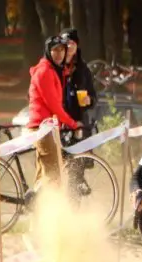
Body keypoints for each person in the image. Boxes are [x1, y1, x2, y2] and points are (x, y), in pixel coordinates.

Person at [27, 35, 82, 189]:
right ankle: (53, 210)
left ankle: (36, 206)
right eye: (55, 50)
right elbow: (54, 106)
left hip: (48, 127)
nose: (59, 54)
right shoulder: (45, 71)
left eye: (61, 50)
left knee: (44, 174)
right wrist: (72, 123)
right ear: (48, 52)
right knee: (54, 175)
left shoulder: (54, 70)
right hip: (42, 127)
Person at [59, 28, 98, 130]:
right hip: (59, 122)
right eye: (67, 43)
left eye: (73, 43)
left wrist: (90, 100)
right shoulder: (55, 67)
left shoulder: (82, 68)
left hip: (80, 122)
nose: (70, 46)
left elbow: (93, 94)